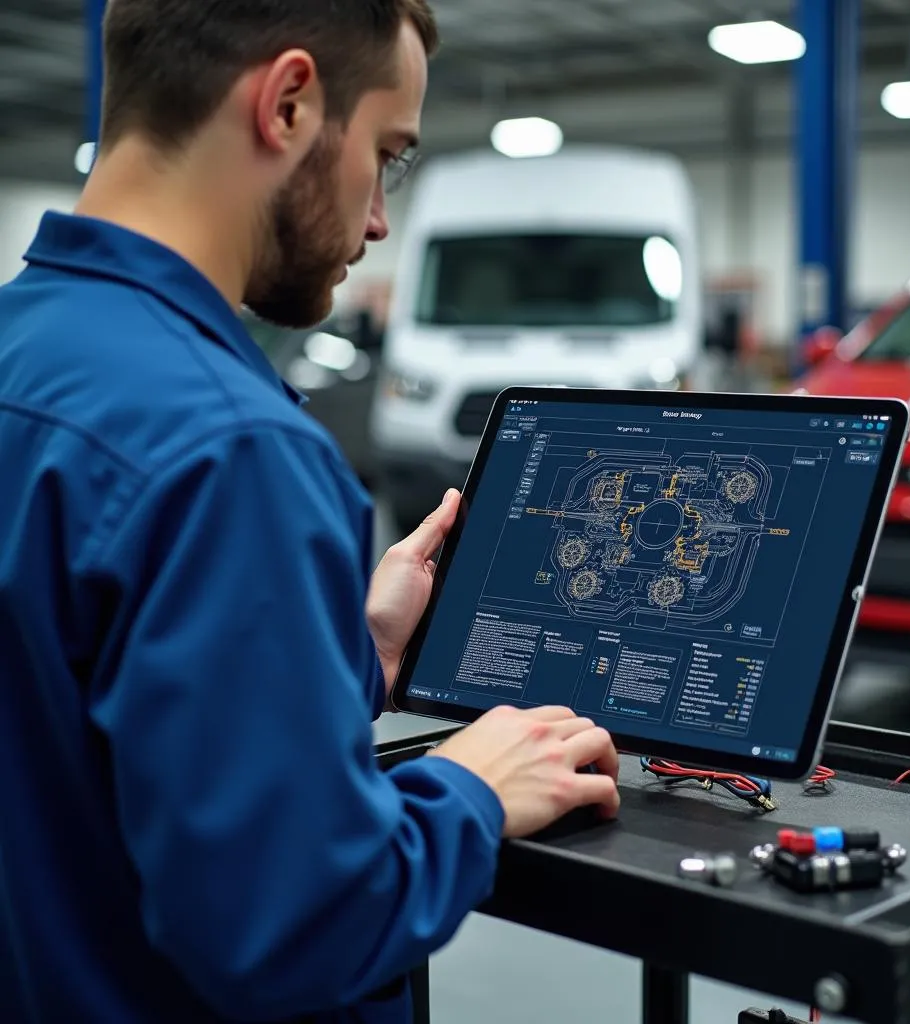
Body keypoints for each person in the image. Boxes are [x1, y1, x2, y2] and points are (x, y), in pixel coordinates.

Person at [0, 1, 620, 1021]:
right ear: (287, 103)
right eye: (388, 153)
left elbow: (67, 733)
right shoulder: (227, 447)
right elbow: (288, 927)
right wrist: (468, 787)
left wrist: (343, 655)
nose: (379, 218)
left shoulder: (31, 352)